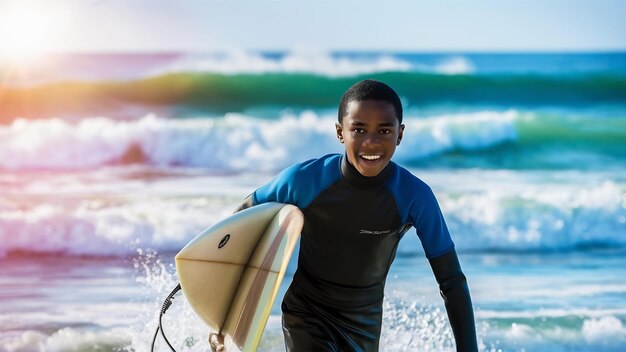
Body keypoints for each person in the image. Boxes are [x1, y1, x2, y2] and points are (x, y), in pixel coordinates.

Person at [232, 79, 478, 351]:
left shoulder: (414, 196)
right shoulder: (306, 180)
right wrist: (224, 311)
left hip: (364, 325)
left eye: (384, 130)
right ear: (340, 132)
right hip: (306, 313)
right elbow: (242, 217)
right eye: (358, 129)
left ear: (400, 134)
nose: (371, 142)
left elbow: (452, 280)